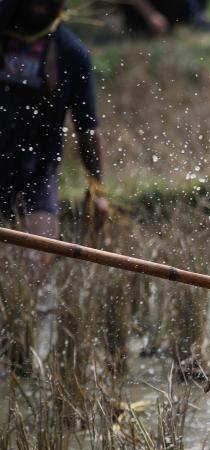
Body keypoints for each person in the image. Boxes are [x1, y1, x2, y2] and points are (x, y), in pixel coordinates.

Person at [1, 0, 108, 280]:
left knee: (33, 270)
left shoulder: (71, 55)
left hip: (36, 171)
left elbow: (87, 129)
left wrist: (97, 188)